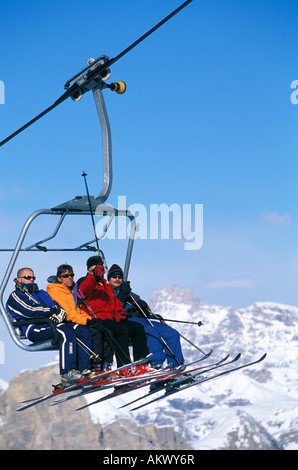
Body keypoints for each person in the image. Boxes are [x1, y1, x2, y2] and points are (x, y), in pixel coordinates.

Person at [6, 267, 93, 385]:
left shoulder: (40, 293)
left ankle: (85, 369)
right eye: (27, 277)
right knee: (66, 331)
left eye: (33, 277)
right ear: (19, 279)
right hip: (34, 328)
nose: (31, 280)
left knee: (83, 331)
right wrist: (51, 312)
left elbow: (54, 305)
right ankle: (67, 373)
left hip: (50, 324)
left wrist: (59, 312)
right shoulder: (15, 296)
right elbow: (30, 310)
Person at [77, 256, 153, 375]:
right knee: (120, 330)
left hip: (111, 318)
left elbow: (115, 303)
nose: (97, 272)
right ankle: (124, 367)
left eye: (100, 270)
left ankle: (141, 364)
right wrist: (94, 277)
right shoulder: (85, 282)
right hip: (97, 318)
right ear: (88, 271)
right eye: (94, 270)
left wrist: (120, 312)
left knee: (137, 328)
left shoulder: (106, 286)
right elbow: (83, 290)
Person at [108, 264, 185, 369]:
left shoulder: (130, 293)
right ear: (109, 278)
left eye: (119, 277)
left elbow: (142, 305)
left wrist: (144, 306)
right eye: (114, 276)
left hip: (142, 318)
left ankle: (176, 365)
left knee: (172, 334)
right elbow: (113, 309)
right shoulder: (107, 291)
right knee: (151, 332)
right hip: (129, 320)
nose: (117, 279)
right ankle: (156, 363)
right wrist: (122, 294)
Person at [47, 264, 114, 372]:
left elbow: (78, 310)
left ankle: (106, 364)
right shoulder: (55, 289)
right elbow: (68, 313)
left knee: (105, 329)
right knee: (92, 333)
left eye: (71, 275)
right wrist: (87, 321)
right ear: (59, 278)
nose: (70, 278)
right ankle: (92, 365)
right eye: (66, 276)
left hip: (75, 319)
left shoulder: (72, 289)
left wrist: (91, 319)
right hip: (66, 322)